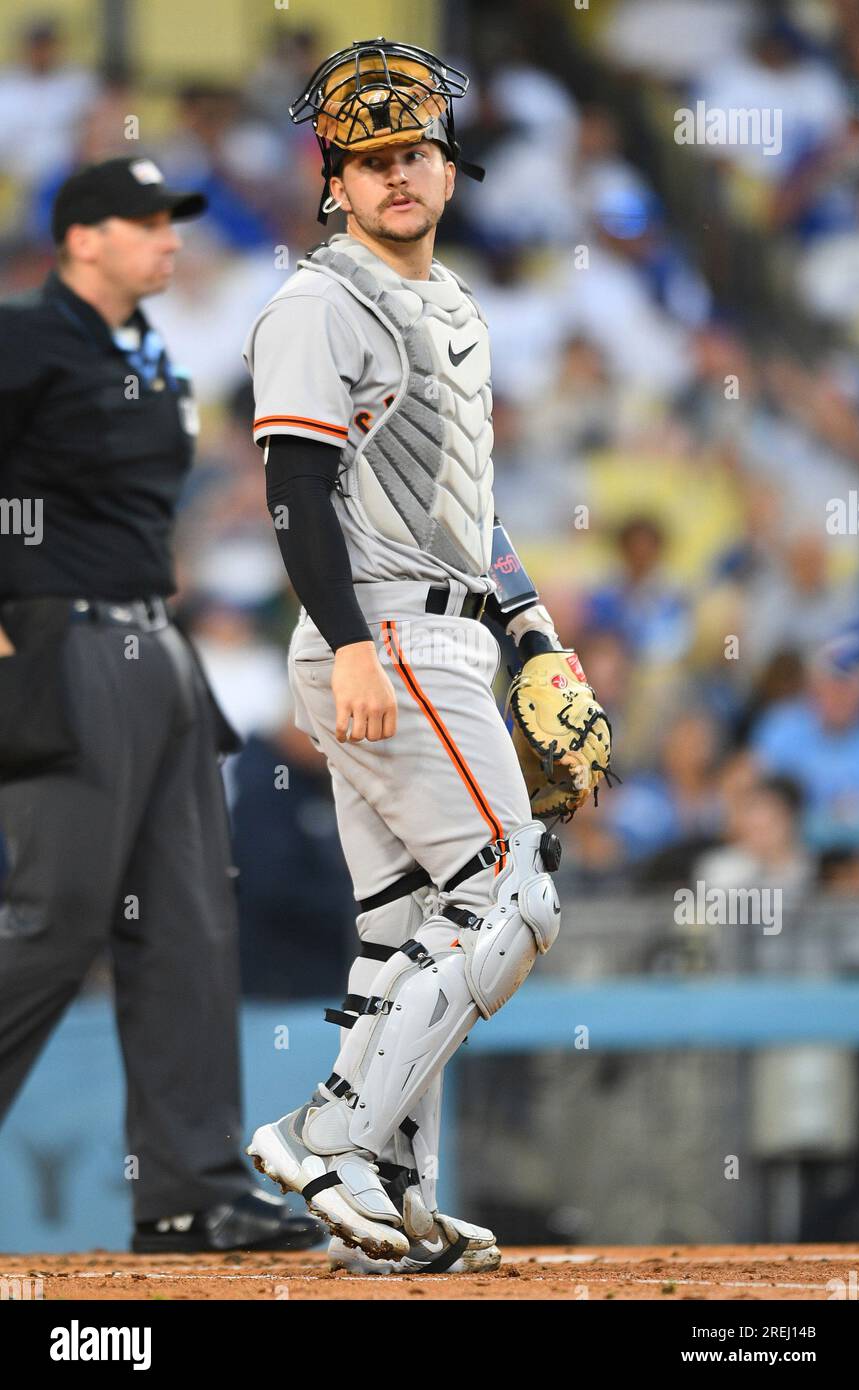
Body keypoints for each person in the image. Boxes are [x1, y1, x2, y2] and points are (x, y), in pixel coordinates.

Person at [243, 38, 610, 1274]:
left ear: (449, 171)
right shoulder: (315, 301)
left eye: (414, 152)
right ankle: (325, 1135)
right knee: (511, 888)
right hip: (384, 630)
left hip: (447, 631)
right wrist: (350, 645)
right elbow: (294, 491)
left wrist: (536, 639)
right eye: (369, 158)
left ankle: (389, 1193)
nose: (396, 174)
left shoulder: (452, 308)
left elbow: (471, 509)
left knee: (407, 923)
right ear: (332, 180)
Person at [0, 156, 321, 1254]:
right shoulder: (23, 335)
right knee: (57, 919)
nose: (168, 238)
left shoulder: (143, 352)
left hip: (154, 640)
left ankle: (192, 1189)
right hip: (63, 637)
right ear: (81, 238)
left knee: (187, 921)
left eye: (169, 221)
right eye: (143, 222)